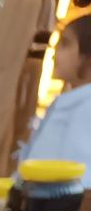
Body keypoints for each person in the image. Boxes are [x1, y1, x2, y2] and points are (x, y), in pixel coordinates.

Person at [25, 17, 91, 166]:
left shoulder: (86, 109)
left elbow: (82, 180)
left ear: (88, 58)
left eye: (65, 44)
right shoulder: (71, 102)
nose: (54, 52)